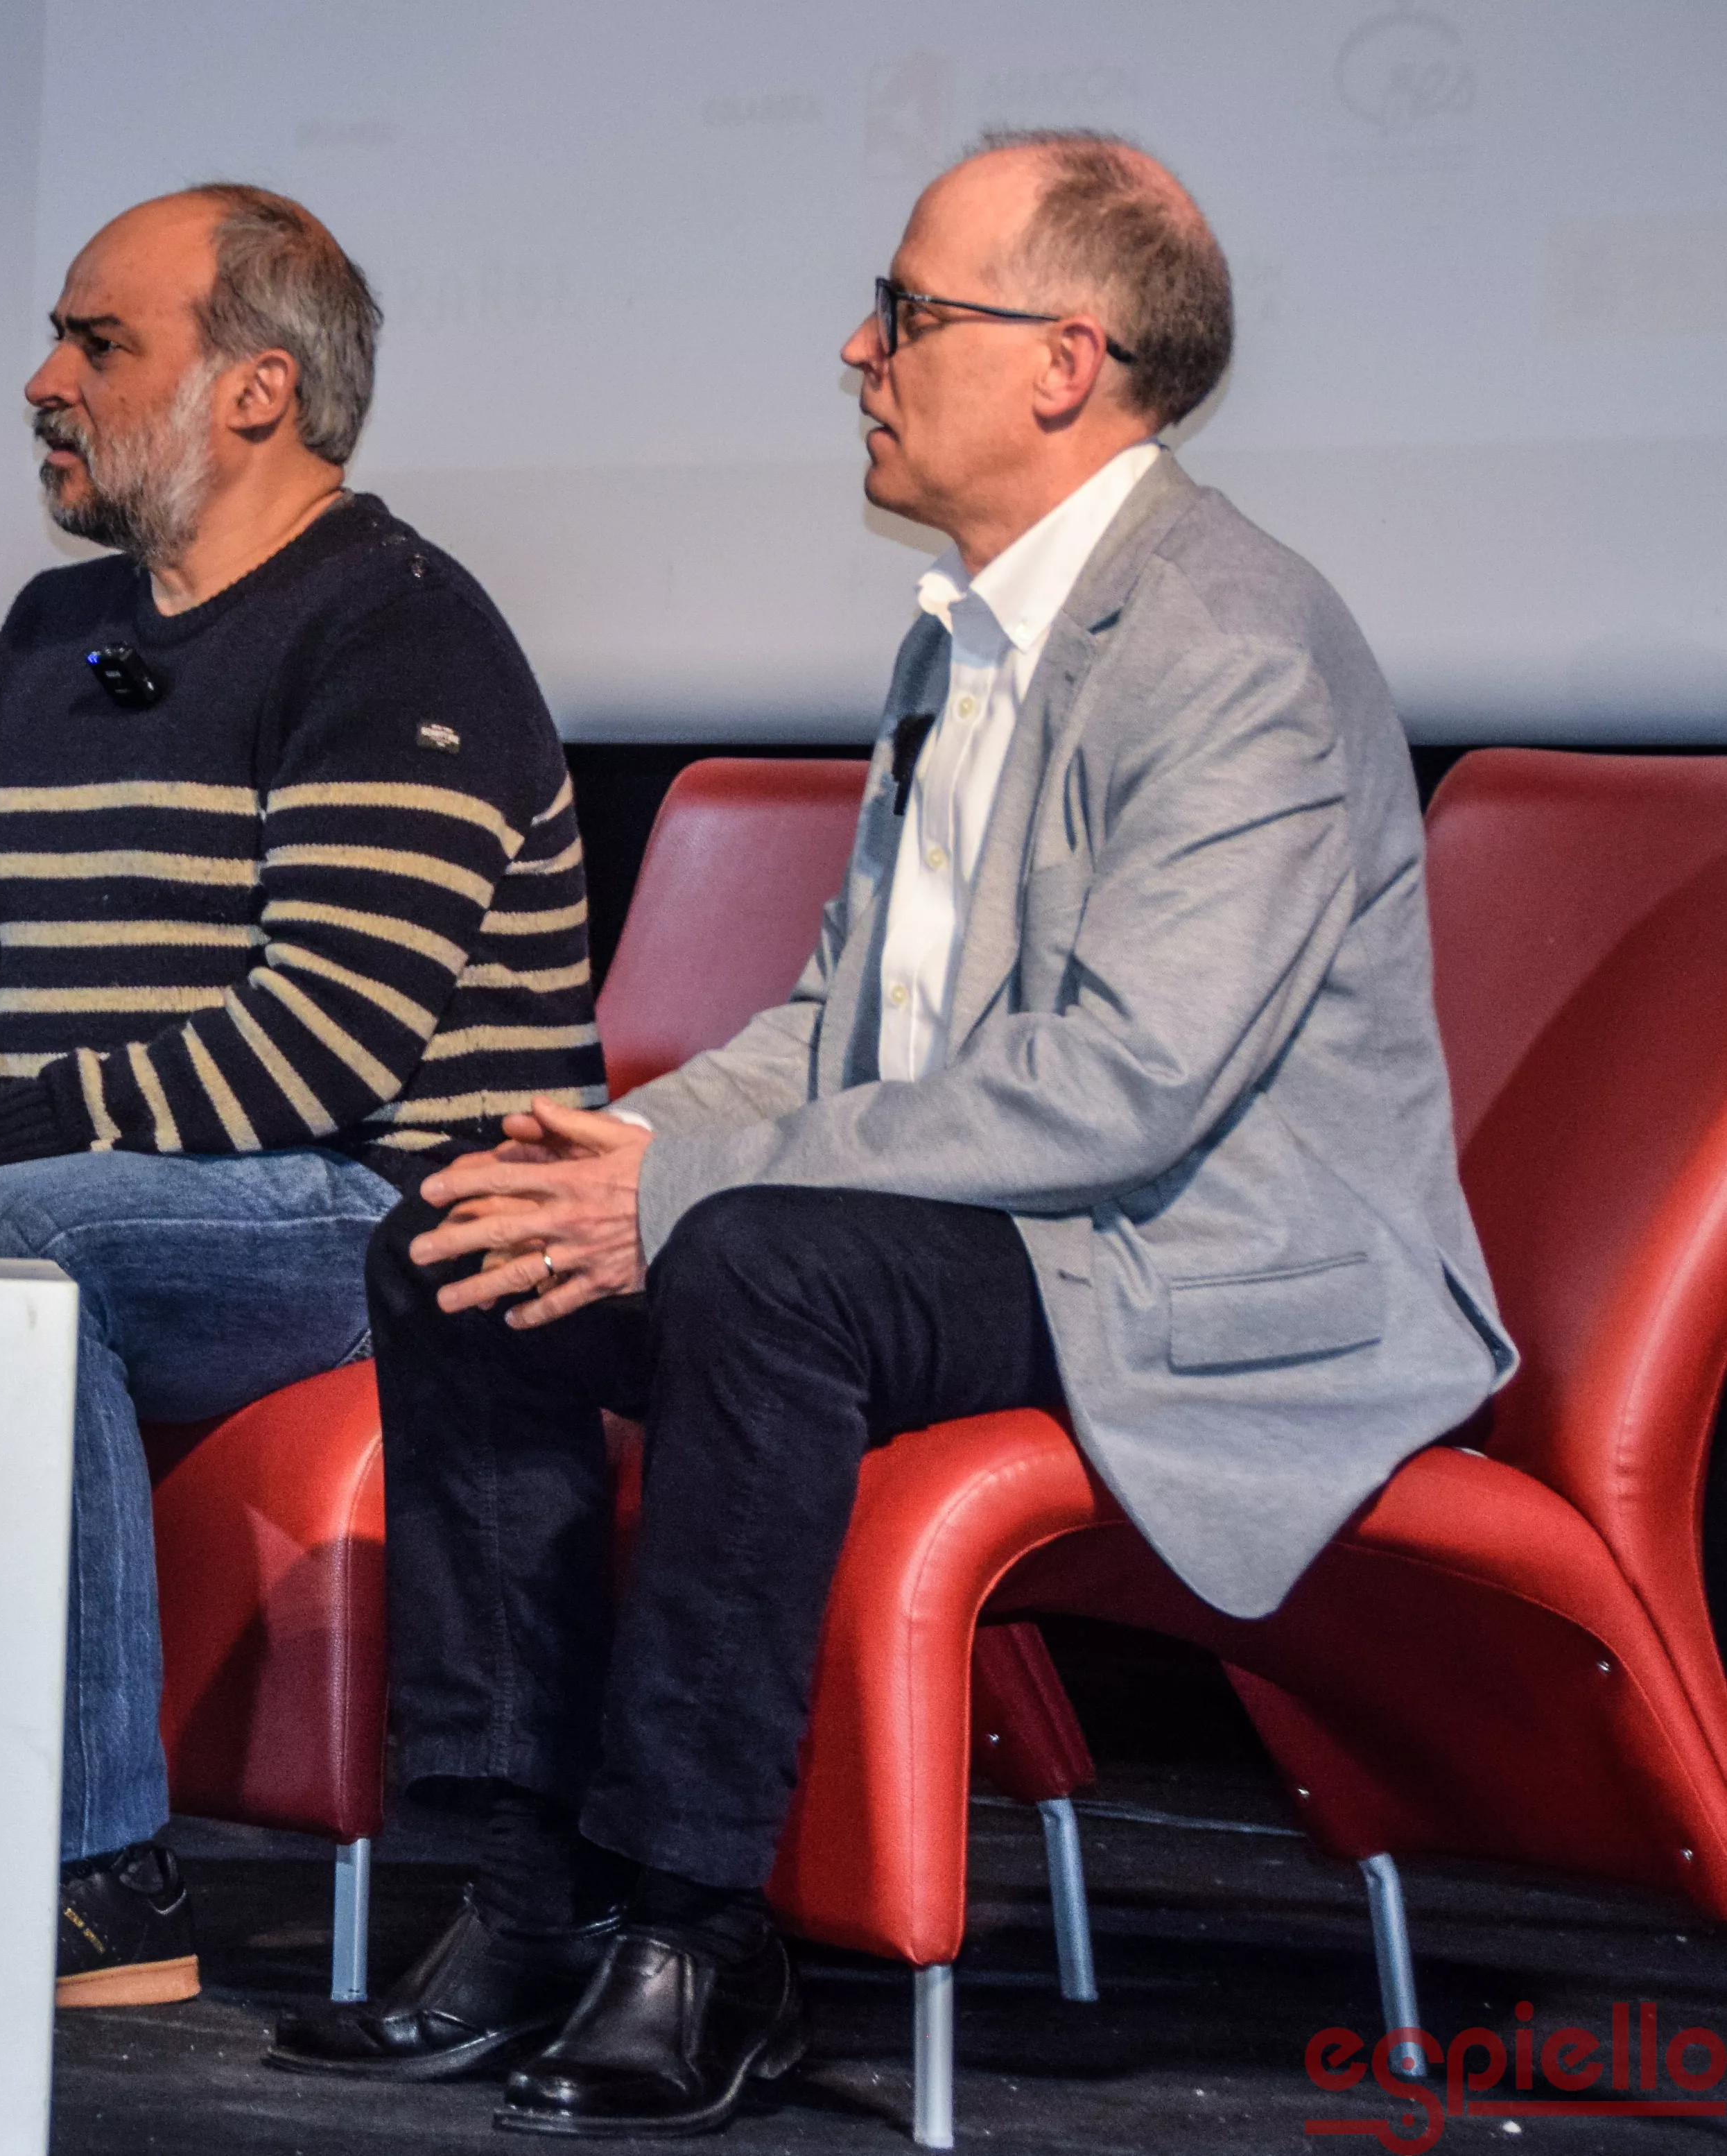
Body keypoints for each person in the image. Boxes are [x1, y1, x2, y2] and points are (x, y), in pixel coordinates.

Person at [270, 131, 1515, 2135]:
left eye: (910, 311)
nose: (858, 348)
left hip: (1205, 1269)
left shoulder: (1231, 644)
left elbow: (1130, 1083)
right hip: (1006, 1229)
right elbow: (836, 1026)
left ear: (1060, 362)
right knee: (462, 1232)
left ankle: (703, 1926)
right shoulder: (961, 636)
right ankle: (526, 1892)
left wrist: (687, 1190)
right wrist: (613, 1149)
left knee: (767, 1266)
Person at [0, 185, 605, 2006]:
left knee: (9, 1236)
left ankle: (99, 1887)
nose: (41, 380)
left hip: (377, 1211)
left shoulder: (391, 631)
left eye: (96, 342)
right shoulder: (73, 641)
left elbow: (325, 1041)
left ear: (255, 389)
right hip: (115, 1183)